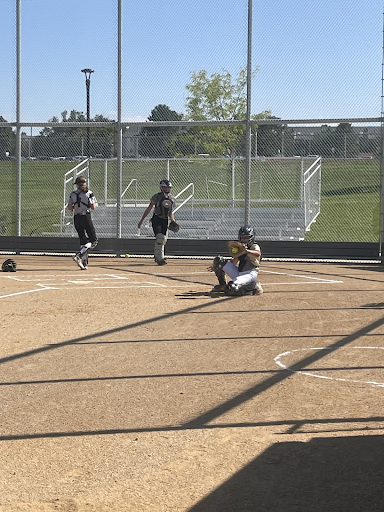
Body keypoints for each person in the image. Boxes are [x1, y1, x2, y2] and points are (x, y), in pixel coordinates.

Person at [208, 225, 263, 296]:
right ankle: (222, 285)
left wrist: (247, 251)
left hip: (250, 274)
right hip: (239, 273)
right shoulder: (240, 248)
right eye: (242, 237)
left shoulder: (254, 246)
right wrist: (217, 267)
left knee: (231, 288)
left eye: (246, 237)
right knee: (219, 260)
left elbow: (258, 253)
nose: (244, 239)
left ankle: (253, 286)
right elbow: (234, 262)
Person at [138, 179, 177, 266]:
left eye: (168, 187)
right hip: (157, 219)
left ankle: (158, 255)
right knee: (160, 237)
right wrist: (141, 220)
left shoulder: (172, 198)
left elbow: (171, 212)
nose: (167, 189)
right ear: (161, 187)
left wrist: (172, 220)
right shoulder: (157, 197)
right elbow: (149, 208)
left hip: (165, 220)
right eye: (165, 187)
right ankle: (160, 258)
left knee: (163, 239)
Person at [67, 175, 98, 270]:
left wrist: (76, 207)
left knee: (83, 240)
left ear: (77, 185)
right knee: (94, 241)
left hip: (77, 217)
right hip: (86, 217)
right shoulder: (89, 193)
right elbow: (93, 206)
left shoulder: (73, 194)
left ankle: (84, 263)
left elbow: (69, 207)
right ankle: (79, 255)